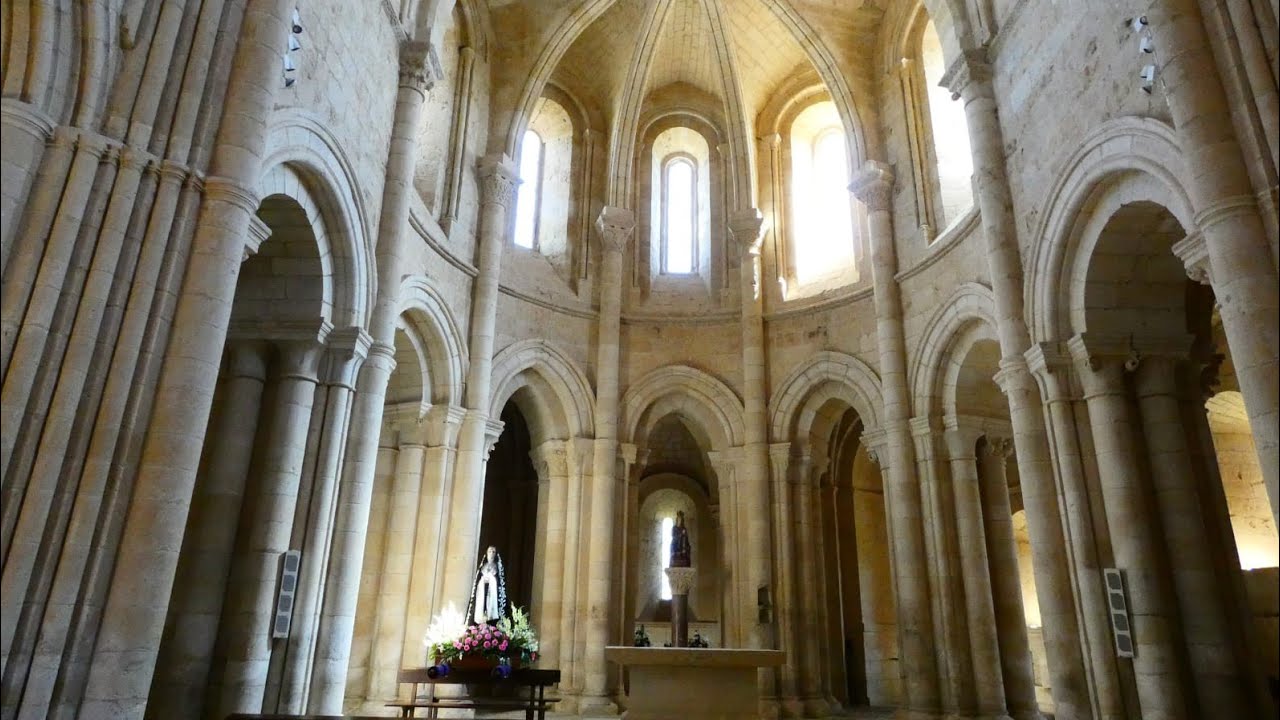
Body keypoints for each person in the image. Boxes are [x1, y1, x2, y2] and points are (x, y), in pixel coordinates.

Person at [467, 546, 507, 625]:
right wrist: (482, 580)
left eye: (493, 552)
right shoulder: (483, 567)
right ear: (486, 553)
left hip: (493, 593)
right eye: (489, 551)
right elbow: (478, 579)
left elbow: (500, 581)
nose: (491, 553)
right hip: (483, 591)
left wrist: (492, 579)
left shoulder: (497, 567)